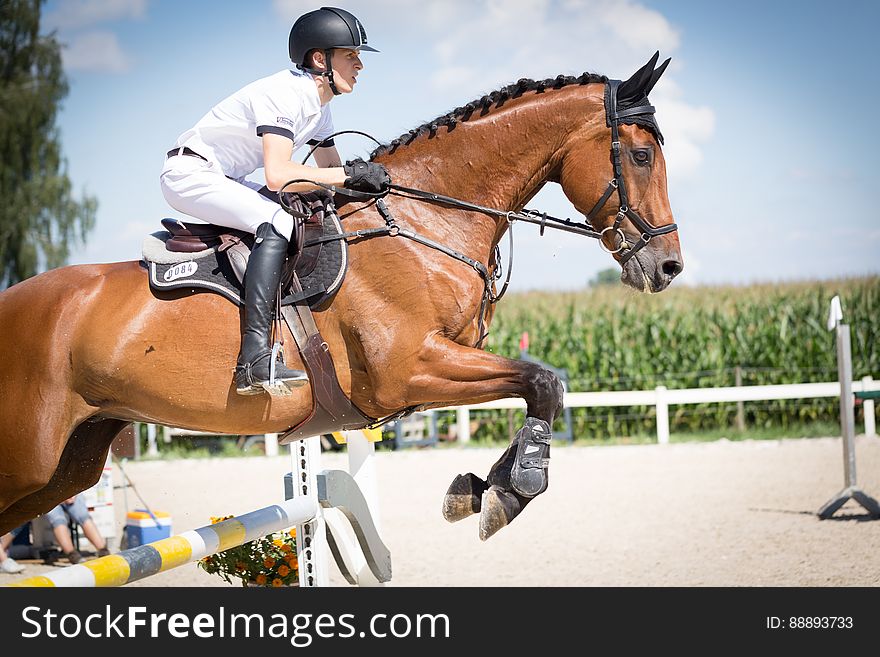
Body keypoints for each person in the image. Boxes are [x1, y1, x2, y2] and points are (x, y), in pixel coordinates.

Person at [160, 6, 391, 396]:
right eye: (351, 55)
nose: (359, 65)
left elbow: (330, 174)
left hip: (225, 177)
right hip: (190, 174)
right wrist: (348, 175)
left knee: (303, 213)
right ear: (321, 59)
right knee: (278, 222)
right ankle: (253, 358)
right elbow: (279, 175)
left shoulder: (319, 109)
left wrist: (372, 183)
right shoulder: (288, 94)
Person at [43, 495, 111, 564]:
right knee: (79, 518)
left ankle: (74, 556)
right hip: (55, 496)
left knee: (60, 521)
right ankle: (103, 552)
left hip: (58, 495)